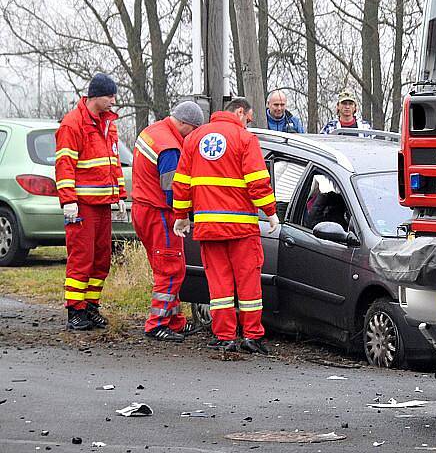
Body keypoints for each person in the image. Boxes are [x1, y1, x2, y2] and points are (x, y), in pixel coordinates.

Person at [171, 97, 279, 354]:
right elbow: (257, 181)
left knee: (219, 285)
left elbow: (181, 182)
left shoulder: (194, 139)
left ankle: (224, 336)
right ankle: (251, 336)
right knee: (249, 284)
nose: (248, 125)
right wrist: (271, 212)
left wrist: (181, 215)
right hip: (241, 228)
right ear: (240, 112)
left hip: (209, 227)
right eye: (248, 120)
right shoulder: (245, 140)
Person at [55, 73, 127, 330]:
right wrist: (69, 201)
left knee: (101, 258)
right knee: (81, 257)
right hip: (82, 205)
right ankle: (75, 310)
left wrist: (119, 194)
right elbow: (65, 165)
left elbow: (113, 161)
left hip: (102, 204)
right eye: (110, 95)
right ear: (96, 96)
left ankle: (90, 306)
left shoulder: (109, 124)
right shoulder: (72, 124)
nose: (114, 100)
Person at [132, 101, 205, 342]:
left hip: (143, 208)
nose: (193, 136)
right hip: (160, 214)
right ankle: (157, 323)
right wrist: (184, 215)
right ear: (184, 123)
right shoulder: (171, 147)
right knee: (171, 269)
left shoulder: (153, 131)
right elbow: (172, 191)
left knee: (166, 267)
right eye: (193, 130)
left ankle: (174, 320)